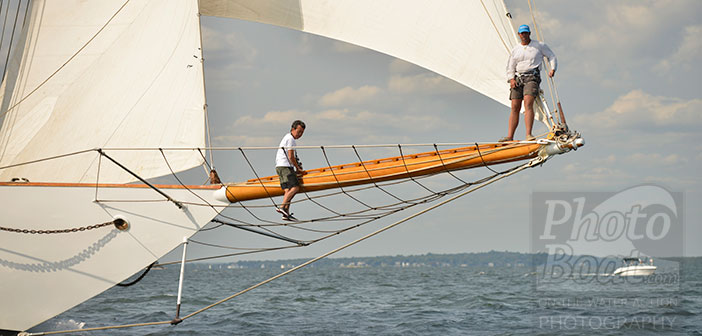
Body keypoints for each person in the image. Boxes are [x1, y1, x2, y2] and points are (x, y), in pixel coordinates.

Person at [500, 24, 557, 142]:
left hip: (532, 77)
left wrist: (552, 69)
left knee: (528, 103)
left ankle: (528, 134)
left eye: (526, 33)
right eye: (522, 33)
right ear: (519, 35)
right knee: (515, 106)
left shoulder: (539, 46)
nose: (524, 35)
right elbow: (510, 65)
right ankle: (510, 136)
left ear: (529, 33)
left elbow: (551, 56)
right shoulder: (516, 49)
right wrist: (511, 79)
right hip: (518, 78)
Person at [275, 120, 307, 221]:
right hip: (285, 166)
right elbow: (290, 156)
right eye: (299, 132)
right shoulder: (290, 139)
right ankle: (282, 207)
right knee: (295, 188)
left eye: (302, 133)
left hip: (279, 166)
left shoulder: (287, 137)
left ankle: (286, 213)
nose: (300, 135)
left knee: (287, 190)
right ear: (293, 129)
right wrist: (298, 168)